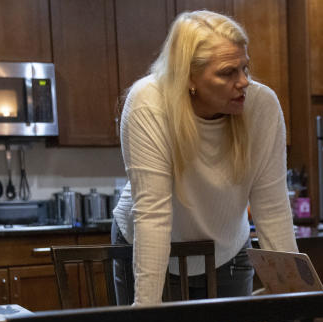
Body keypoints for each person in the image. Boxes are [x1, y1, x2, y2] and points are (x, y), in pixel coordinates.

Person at [111, 10, 298, 305]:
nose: (244, 82)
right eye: (227, 73)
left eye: (245, 68)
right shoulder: (148, 103)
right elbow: (153, 216)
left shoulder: (262, 106)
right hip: (150, 246)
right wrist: (145, 316)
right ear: (189, 78)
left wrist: (295, 300)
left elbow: (272, 208)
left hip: (226, 250)